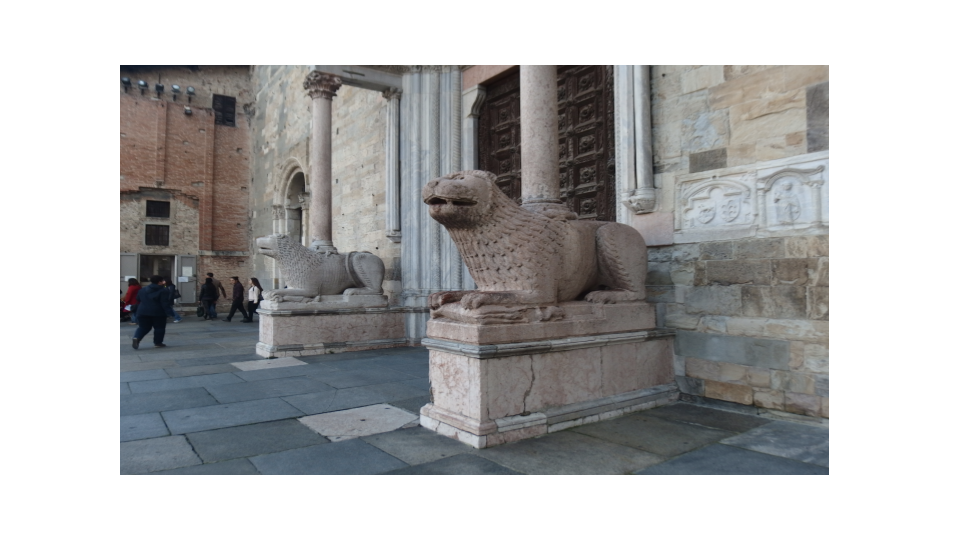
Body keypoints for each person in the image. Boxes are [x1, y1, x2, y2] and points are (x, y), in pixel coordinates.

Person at [132, 276, 173, 350]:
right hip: (158, 312)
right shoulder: (163, 290)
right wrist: (170, 312)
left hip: (142, 311)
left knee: (143, 327)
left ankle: (137, 337)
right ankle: (158, 343)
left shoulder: (143, 290)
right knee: (159, 328)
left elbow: (138, 299)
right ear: (159, 282)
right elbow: (165, 303)